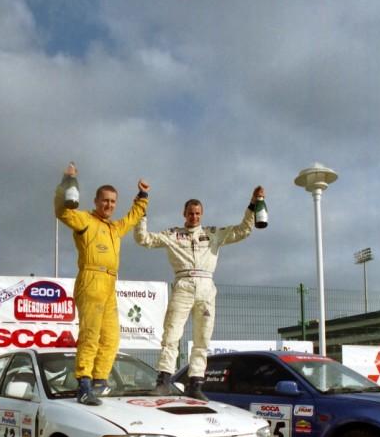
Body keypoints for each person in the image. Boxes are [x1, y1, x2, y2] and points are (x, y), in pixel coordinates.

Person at [134, 187, 264, 400]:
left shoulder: (213, 234)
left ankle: (195, 384)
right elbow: (143, 239)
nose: (193, 217)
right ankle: (163, 381)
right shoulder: (173, 234)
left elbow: (243, 231)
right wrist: (142, 212)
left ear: (201, 214)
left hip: (206, 286)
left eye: (197, 213)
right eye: (190, 213)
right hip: (183, 284)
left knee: (202, 339)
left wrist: (253, 204)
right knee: (171, 334)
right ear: (183, 214)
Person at [55, 162, 150, 405]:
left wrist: (142, 196)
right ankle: (84, 383)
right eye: (105, 200)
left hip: (109, 283)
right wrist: (67, 183)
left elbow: (132, 217)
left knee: (111, 338)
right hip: (91, 278)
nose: (108, 205)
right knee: (90, 334)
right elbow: (62, 212)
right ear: (96, 201)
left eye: (112, 202)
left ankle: (100, 381)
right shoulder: (85, 219)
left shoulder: (114, 227)